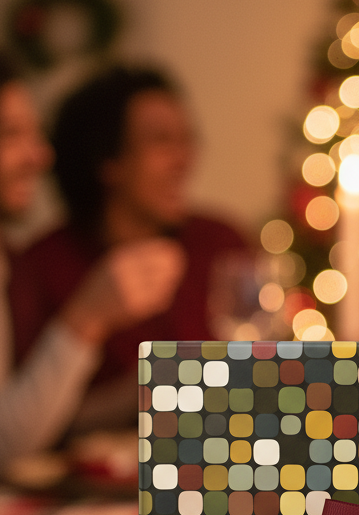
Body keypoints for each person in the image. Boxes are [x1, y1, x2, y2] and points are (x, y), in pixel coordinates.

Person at [0, 50, 184, 503]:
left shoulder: (10, 271)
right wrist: (87, 318)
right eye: (11, 134)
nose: (39, 155)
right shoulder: (36, 265)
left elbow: (43, 423)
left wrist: (167, 384)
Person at [19, 65, 247, 429]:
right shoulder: (41, 267)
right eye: (161, 141)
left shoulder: (221, 244)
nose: (184, 160)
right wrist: (143, 392)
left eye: (187, 140)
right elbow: (33, 427)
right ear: (106, 161)